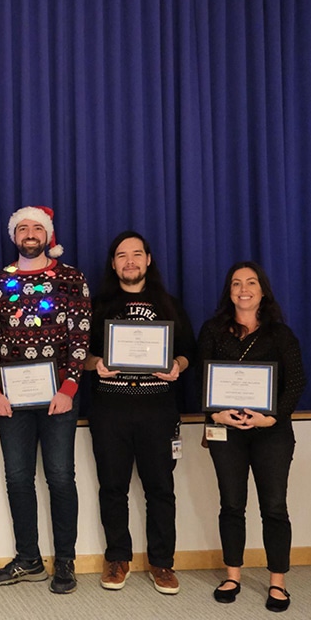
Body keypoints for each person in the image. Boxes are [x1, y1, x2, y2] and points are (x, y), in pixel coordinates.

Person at [0, 205, 91, 594]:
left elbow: (80, 337)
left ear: (48, 236)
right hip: (10, 399)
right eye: (22, 228)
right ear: (14, 236)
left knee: (60, 476)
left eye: (36, 228)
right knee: (17, 478)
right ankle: (27, 558)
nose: (30, 233)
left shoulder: (71, 279)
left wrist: (69, 388)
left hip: (60, 397)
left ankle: (65, 560)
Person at [84, 231, 195, 595]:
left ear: (148, 259)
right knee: (112, 487)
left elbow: (187, 352)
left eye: (136, 254)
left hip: (157, 408)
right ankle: (118, 558)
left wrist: (176, 365)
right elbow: (79, 356)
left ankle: (163, 563)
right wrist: (96, 363)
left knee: (160, 489)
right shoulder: (98, 305)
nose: (129, 261)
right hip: (110, 409)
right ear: (113, 263)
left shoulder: (170, 305)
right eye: (121, 255)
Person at [199, 262, 306, 612]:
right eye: (236, 283)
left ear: (263, 291)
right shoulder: (213, 330)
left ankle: (278, 581)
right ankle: (233, 575)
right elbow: (201, 380)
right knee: (231, 505)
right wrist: (215, 413)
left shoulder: (281, 334)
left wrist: (270, 417)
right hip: (224, 431)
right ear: (229, 292)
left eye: (251, 282)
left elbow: (295, 384)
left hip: (271, 433)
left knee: (274, 507)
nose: (243, 289)